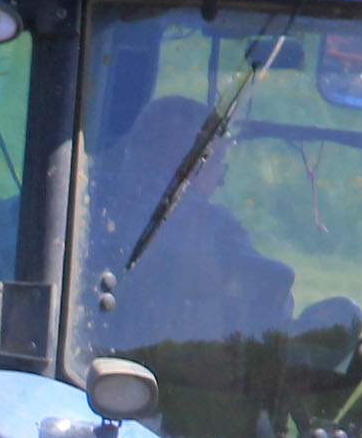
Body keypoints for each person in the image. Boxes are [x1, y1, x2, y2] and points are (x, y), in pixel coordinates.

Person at [85, 92, 295, 356]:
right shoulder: (216, 230)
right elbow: (273, 291)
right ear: (189, 159)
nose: (221, 181)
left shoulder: (79, 203)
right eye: (217, 163)